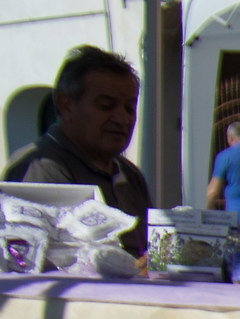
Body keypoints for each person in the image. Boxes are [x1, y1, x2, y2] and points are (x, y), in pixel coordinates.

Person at [2, 46, 150, 253]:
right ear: (66, 105)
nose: (122, 119)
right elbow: (51, 263)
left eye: (129, 108)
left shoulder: (130, 173)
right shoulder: (41, 169)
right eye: (106, 105)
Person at [205, 118, 240, 219]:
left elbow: (213, 191)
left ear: (230, 138)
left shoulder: (225, 156)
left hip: (237, 217)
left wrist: (204, 214)